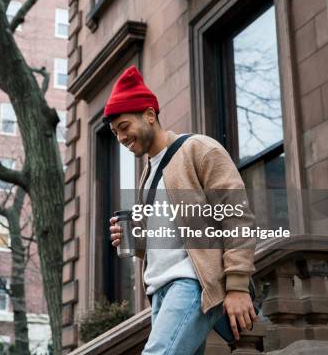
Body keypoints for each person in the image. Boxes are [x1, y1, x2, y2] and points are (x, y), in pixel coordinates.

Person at [106, 66, 256, 355]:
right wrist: (137, 242)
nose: (121, 138)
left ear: (149, 115)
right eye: (114, 133)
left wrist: (237, 284)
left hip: (192, 284)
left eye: (124, 127)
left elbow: (237, 217)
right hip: (158, 291)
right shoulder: (146, 176)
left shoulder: (199, 149)